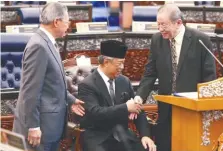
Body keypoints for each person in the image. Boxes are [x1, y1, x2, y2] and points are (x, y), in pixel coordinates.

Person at [133, 4, 217, 151]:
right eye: (158, 24)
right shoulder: (157, 40)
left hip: (191, 110)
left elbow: (209, 78)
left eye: (163, 25)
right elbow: (150, 73)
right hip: (166, 110)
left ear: (178, 22)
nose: (160, 29)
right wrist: (140, 97)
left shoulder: (200, 40)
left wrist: (205, 107)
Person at [13, 2, 85, 151]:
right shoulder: (39, 46)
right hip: (41, 129)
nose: (68, 26)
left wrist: (70, 100)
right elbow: (30, 91)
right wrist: (33, 126)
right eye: (67, 22)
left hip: (50, 126)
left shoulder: (48, 43)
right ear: (56, 21)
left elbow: (52, 82)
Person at [78, 40, 156, 151]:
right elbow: (95, 113)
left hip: (123, 135)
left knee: (148, 148)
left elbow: (138, 109)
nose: (123, 67)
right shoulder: (87, 85)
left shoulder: (124, 81)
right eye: (119, 63)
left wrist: (145, 135)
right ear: (106, 62)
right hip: (98, 137)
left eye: (123, 63)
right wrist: (126, 108)